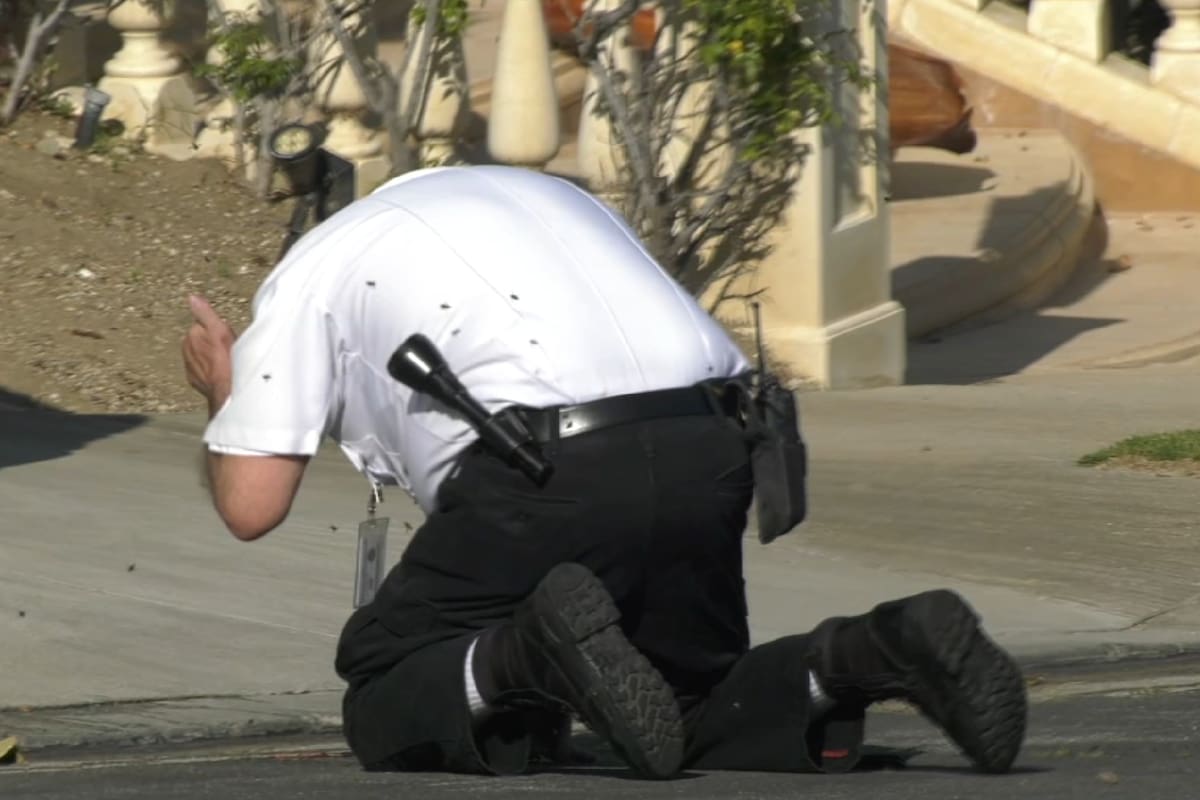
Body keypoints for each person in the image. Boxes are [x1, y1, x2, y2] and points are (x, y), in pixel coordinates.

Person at [182, 165, 1027, 779]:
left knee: (382, 686)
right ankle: (875, 648)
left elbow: (251, 504)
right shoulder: (555, 197)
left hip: (545, 467)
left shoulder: (310, 271)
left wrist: (227, 392)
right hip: (713, 440)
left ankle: (523, 662)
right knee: (690, 698)